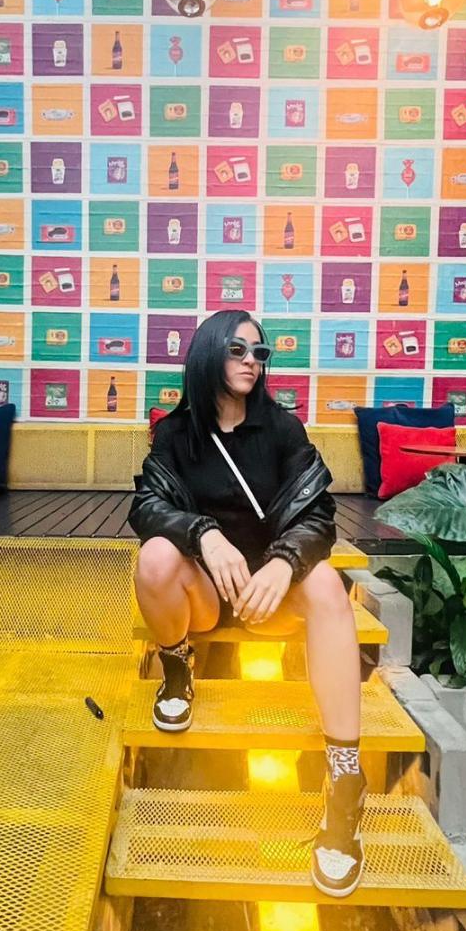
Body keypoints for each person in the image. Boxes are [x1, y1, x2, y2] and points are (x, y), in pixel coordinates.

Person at [129, 309, 365, 897]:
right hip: (208, 594)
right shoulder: (175, 434)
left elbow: (319, 516)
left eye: (260, 353)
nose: (251, 362)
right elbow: (147, 507)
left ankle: (345, 776)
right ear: (209, 352)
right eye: (237, 350)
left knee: (327, 584)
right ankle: (177, 669)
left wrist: (283, 563)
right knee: (154, 557)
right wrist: (203, 534)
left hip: (270, 596)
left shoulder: (283, 430)